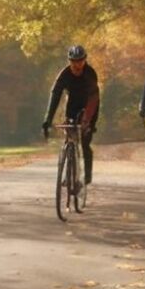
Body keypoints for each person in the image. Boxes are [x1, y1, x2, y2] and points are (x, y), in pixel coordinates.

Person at [42, 44, 100, 184]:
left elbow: (94, 98)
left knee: (85, 142)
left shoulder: (90, 73)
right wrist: (48, 119)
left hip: (89, 105)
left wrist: (89, 122)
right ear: (69, 61)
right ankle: (69, 175)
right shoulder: (64, 74)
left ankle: (86, 176)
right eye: (74, 61)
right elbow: (55, 95)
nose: (77, 64)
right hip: (72, 106)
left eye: (80, 61)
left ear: (84, 60)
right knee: (70, 139)